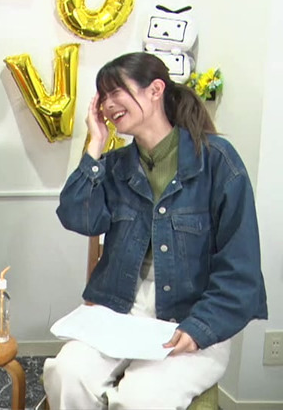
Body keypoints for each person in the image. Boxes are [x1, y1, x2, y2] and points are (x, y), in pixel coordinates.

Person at [43, 52, 267, 409]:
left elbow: (241, 269)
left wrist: (199, 328)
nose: (108, 104)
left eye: (116, 91)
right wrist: (95, 144)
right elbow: (78, 218)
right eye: (103, 96)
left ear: (155, 90)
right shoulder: (116, 166)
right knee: (65, 372)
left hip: (190, 316)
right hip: (121, 313)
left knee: (140, 397)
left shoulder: (218, 161)